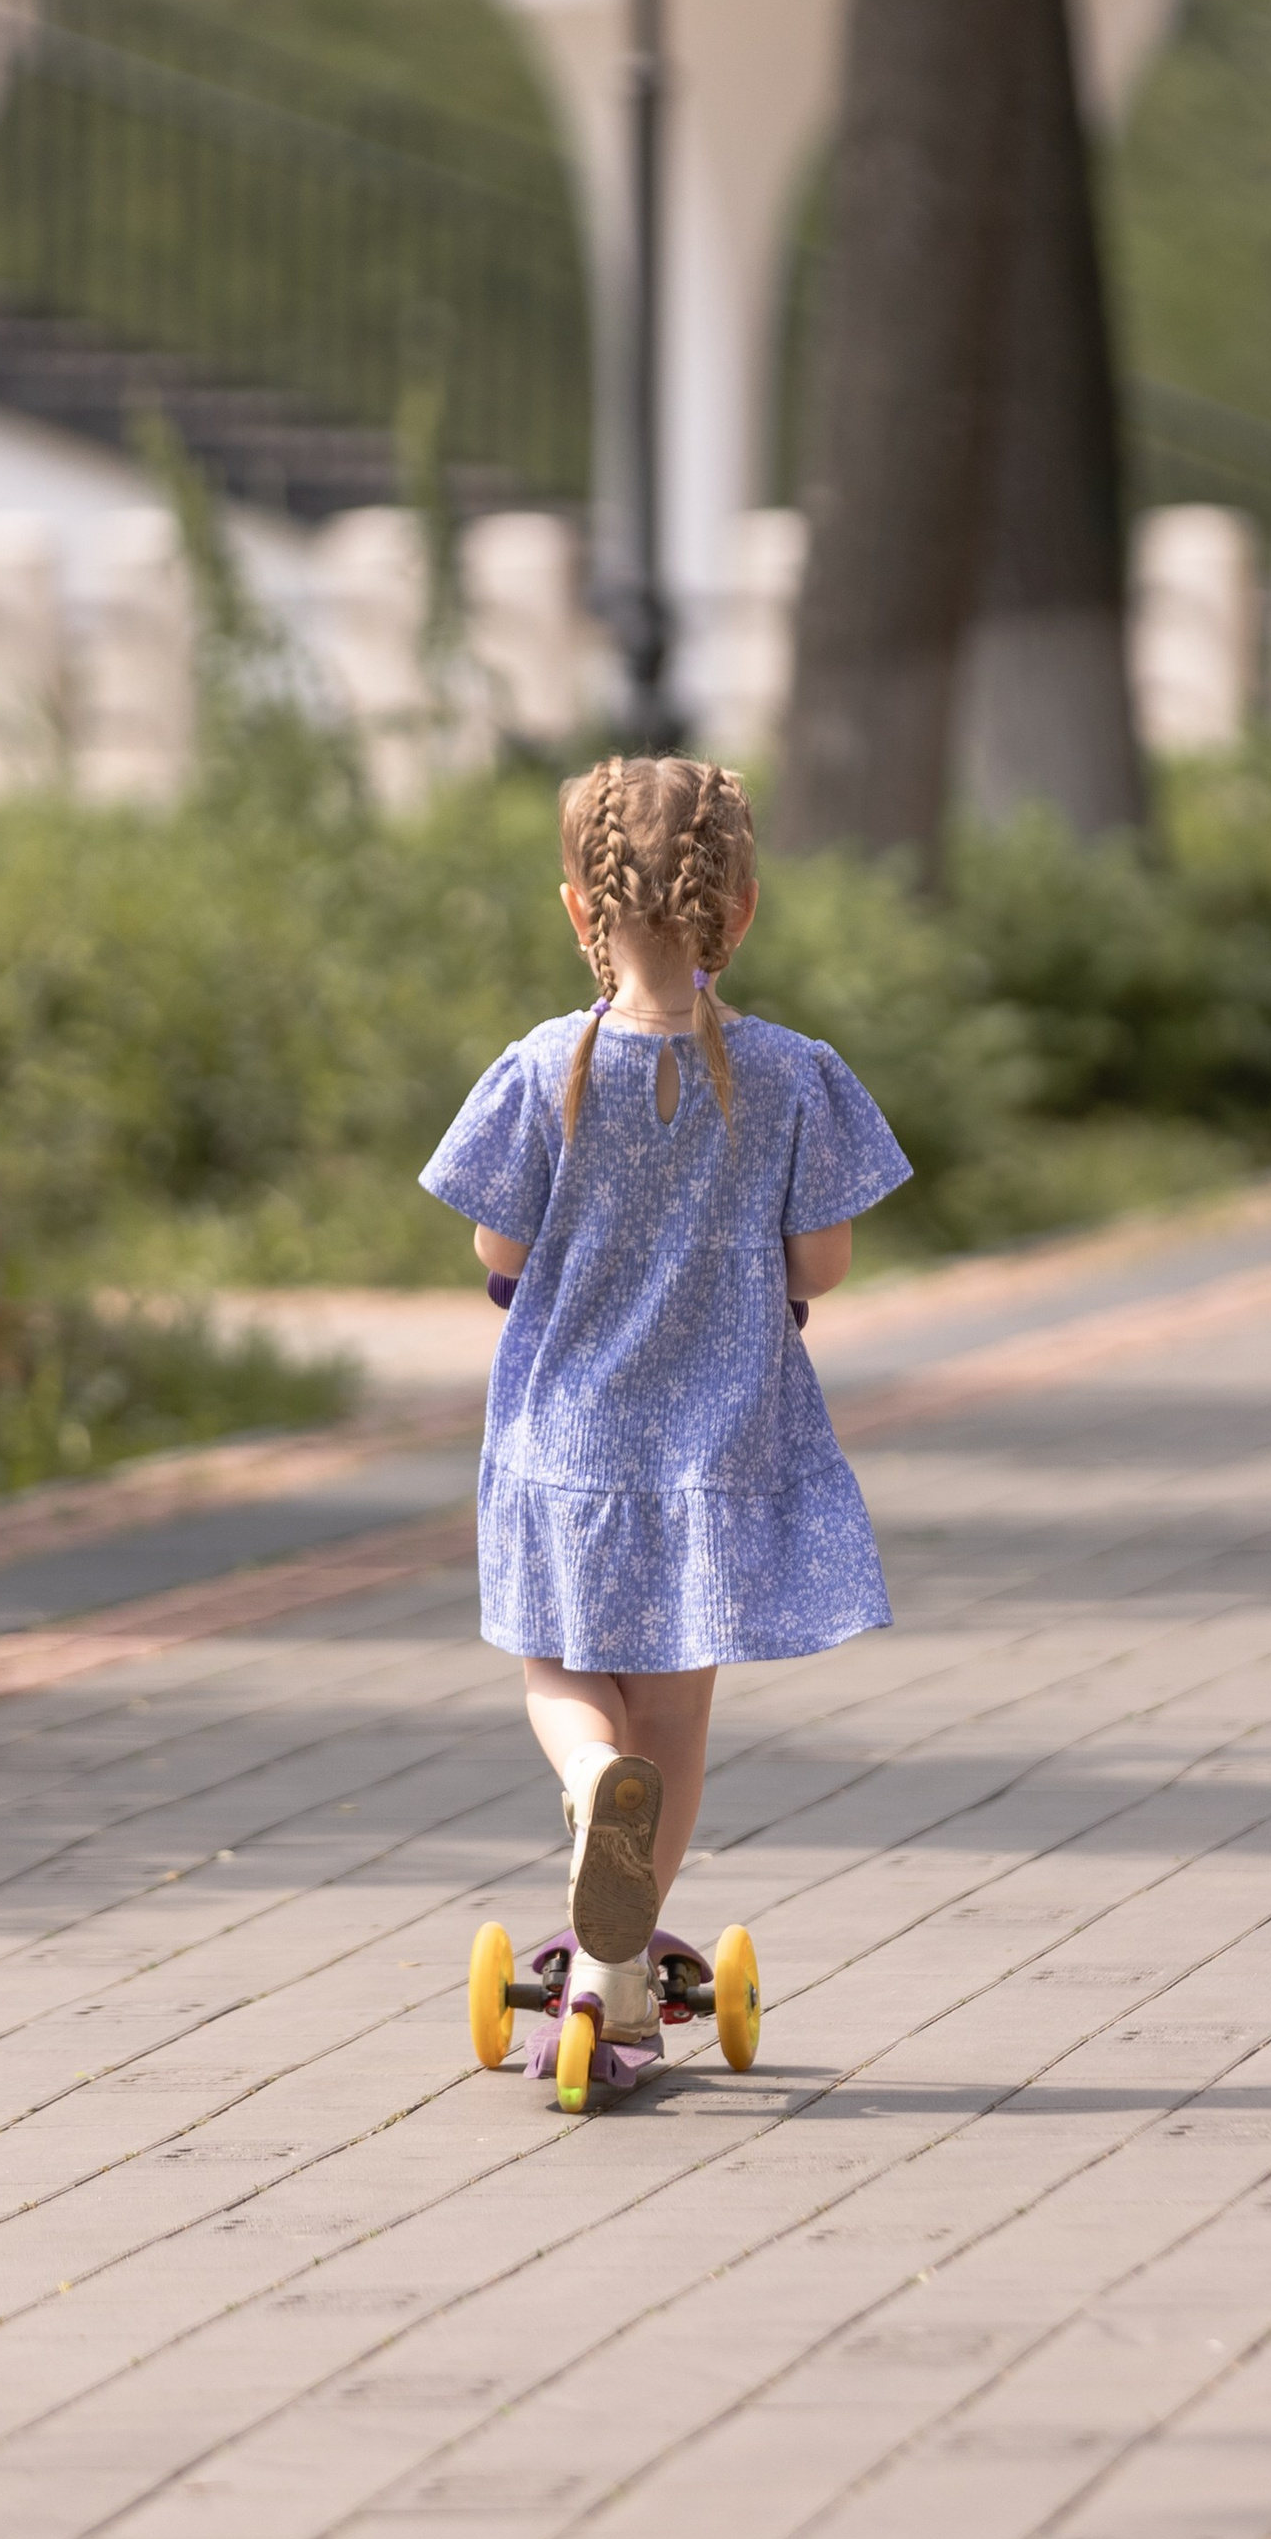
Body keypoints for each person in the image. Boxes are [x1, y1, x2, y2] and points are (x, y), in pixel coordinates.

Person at [417, 752, 910, 2052]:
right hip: (717, 1442)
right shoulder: (799, 1075)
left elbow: (497, 1255)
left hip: (566, 1441)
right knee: (678, 1704)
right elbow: (821, 1264)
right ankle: (623, 1965)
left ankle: (592, 1788)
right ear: (740, 911)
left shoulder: (537, 1069)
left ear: (579, 911)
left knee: (561, 1664)